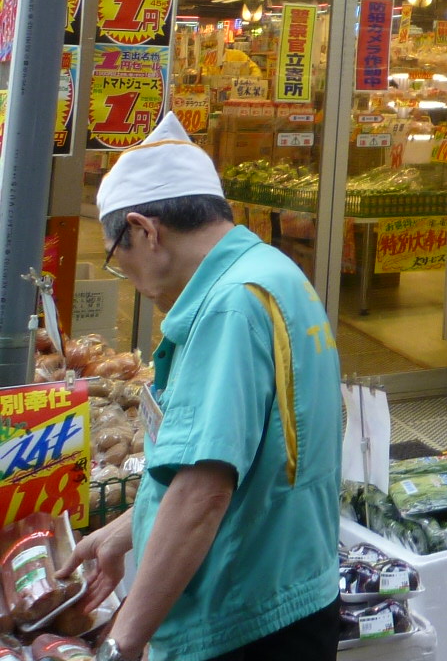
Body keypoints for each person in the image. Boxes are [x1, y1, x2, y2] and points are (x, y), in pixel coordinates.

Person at [65, 113, 341, 661]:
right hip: (297, 591)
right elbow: (244, 463)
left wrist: (122, 643)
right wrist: (124, 531)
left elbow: (203, 494)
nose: (133, 284)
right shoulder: (272, 272)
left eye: (120, 258)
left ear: (145, 231)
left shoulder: (227, 308)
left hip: (243, 620)